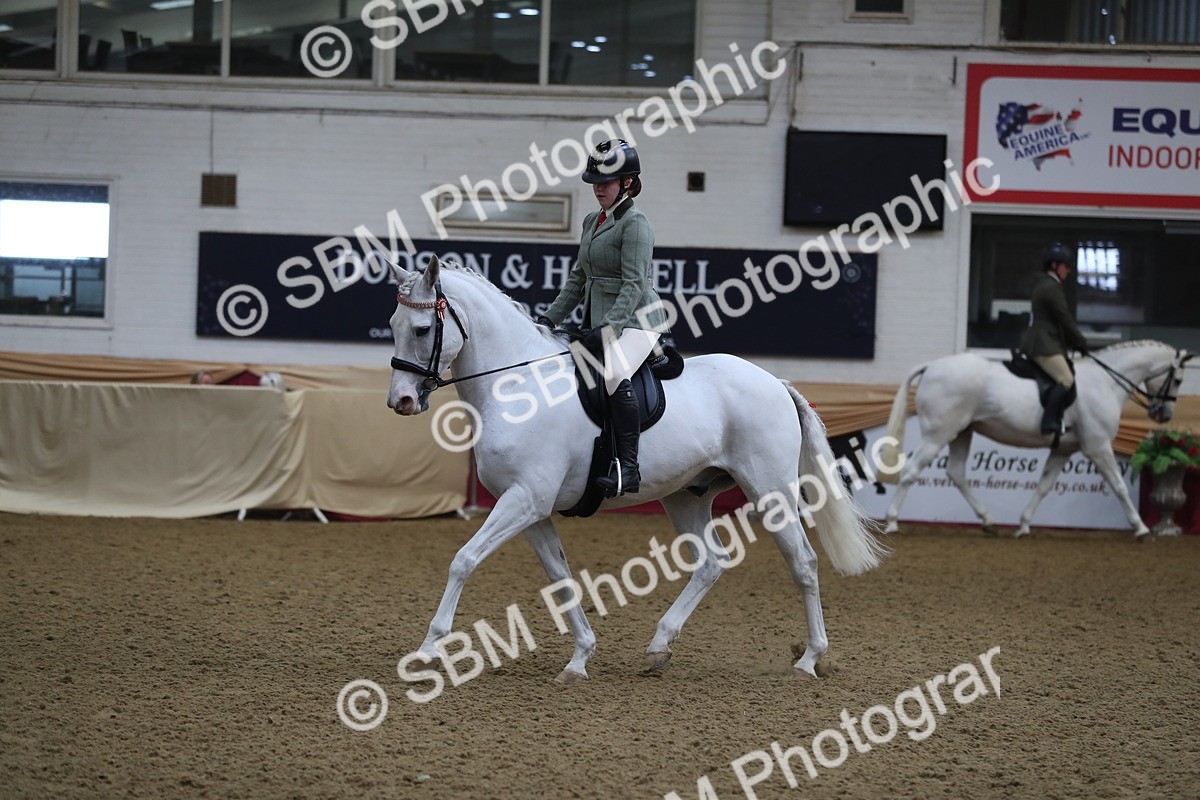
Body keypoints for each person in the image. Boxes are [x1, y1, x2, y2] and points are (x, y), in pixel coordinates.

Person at [536, 139, 670, 497]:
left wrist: (608, 331)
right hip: (600, 319)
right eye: (595, 182)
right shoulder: (591, 221)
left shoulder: (636, 225)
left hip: (640, 319)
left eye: (606, 182)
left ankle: (629, 468)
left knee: (613, 372)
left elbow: (633, 284)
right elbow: (579, 278)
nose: (598, 188)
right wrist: (548, 320)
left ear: (627, 183)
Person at [1019, 242, 1090, 435]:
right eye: (1065, 265)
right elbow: (1064, 319)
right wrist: (1081, 343)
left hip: (1044, 341)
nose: (1068, 269)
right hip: (1043, 344)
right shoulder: (1051, 287)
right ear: (1054, 265)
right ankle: (1049, 420)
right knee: (1066, 379)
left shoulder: (1046, 284)